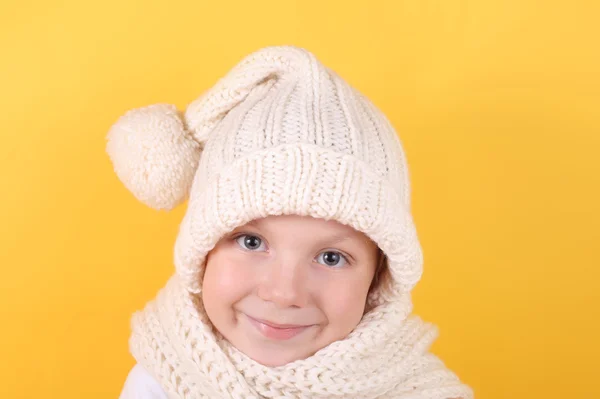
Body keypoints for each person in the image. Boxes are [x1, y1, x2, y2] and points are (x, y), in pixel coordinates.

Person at [107, 45, 473, 398]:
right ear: (201, 254)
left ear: (378, 279)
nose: (284, 293)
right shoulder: (164, 380)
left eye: (331, 257)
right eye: (252, 242)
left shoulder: (412, 388)